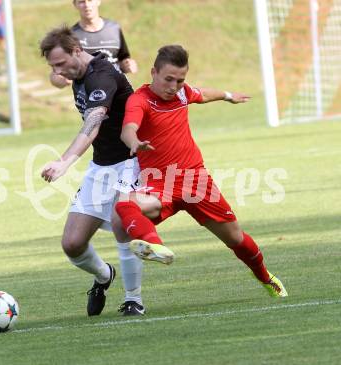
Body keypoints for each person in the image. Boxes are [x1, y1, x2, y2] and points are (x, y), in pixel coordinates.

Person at [112, 45, 288, 301]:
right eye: (168, 79)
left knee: (236, 239)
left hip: (197, 182)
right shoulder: (140, 100)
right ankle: (155, 245)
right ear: (153, 72)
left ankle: (264, 277)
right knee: (125, 202)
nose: (173, 86)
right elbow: (128, 128)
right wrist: (134, 142)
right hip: (161, 184)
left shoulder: (182, 93)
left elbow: (203, 94)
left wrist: (228, 95)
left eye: (179, 80)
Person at [39, 25, 145, 316]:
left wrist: (64, 161)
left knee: (122, 223)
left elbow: (94, 122)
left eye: (61, 64)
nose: (58, 71)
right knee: (72, 244)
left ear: (76, 50)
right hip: (102, 166)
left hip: (132, 161)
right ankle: (103, 275)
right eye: (52, 67)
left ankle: (133, 299)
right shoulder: (78, 75)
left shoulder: (101, 74)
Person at [50, 0, 137, 89]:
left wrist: (128, 65)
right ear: (75, 5)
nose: (87, 5)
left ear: (98, 1)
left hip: (118, 92)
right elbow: (56, 74)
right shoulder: (71, 36)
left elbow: (124, 59)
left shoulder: (114, 28)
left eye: (90, 0)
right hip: (89, 97)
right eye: (82, 1)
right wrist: (59, 80)